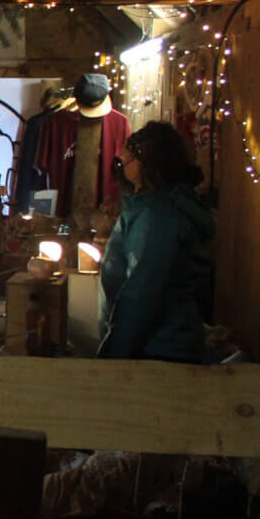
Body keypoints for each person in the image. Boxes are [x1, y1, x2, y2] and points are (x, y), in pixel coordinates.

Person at [99, 122, 216, 363]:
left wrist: (114, 355)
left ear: (146, 164)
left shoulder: (158, 218)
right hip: (160, 343)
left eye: (126, 162)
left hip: (158, 350)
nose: (122, 168)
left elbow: (143, 293)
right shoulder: (157, 209)